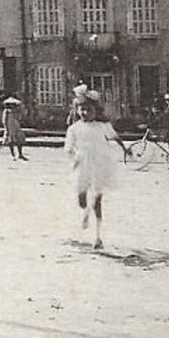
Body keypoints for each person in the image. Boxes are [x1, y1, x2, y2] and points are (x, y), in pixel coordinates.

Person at [65, 90, 123, 250]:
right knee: (81, 198)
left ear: (96, 111)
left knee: (97, 199)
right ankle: (86, 212)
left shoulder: (103, 126)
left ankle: (97, 237)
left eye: (89, 109)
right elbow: (68, 148)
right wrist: (74, 157)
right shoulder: (73, 129)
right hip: (82, 164)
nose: (85, 112)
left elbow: (115, 137)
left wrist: (126, 149)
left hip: (100, 164)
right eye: (82, 109)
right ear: (77, 110)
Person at [1, 96, 28, 161]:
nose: (12, 106)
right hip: (10, 127)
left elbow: (20, 118)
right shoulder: (6, 111)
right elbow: (4, 120)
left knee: (19, 140)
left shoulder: (16, 112)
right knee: (11, 141)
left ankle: (20, 154)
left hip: (16, 126)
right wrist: (6, 128)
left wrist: (20, 111)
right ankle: (12, 154)